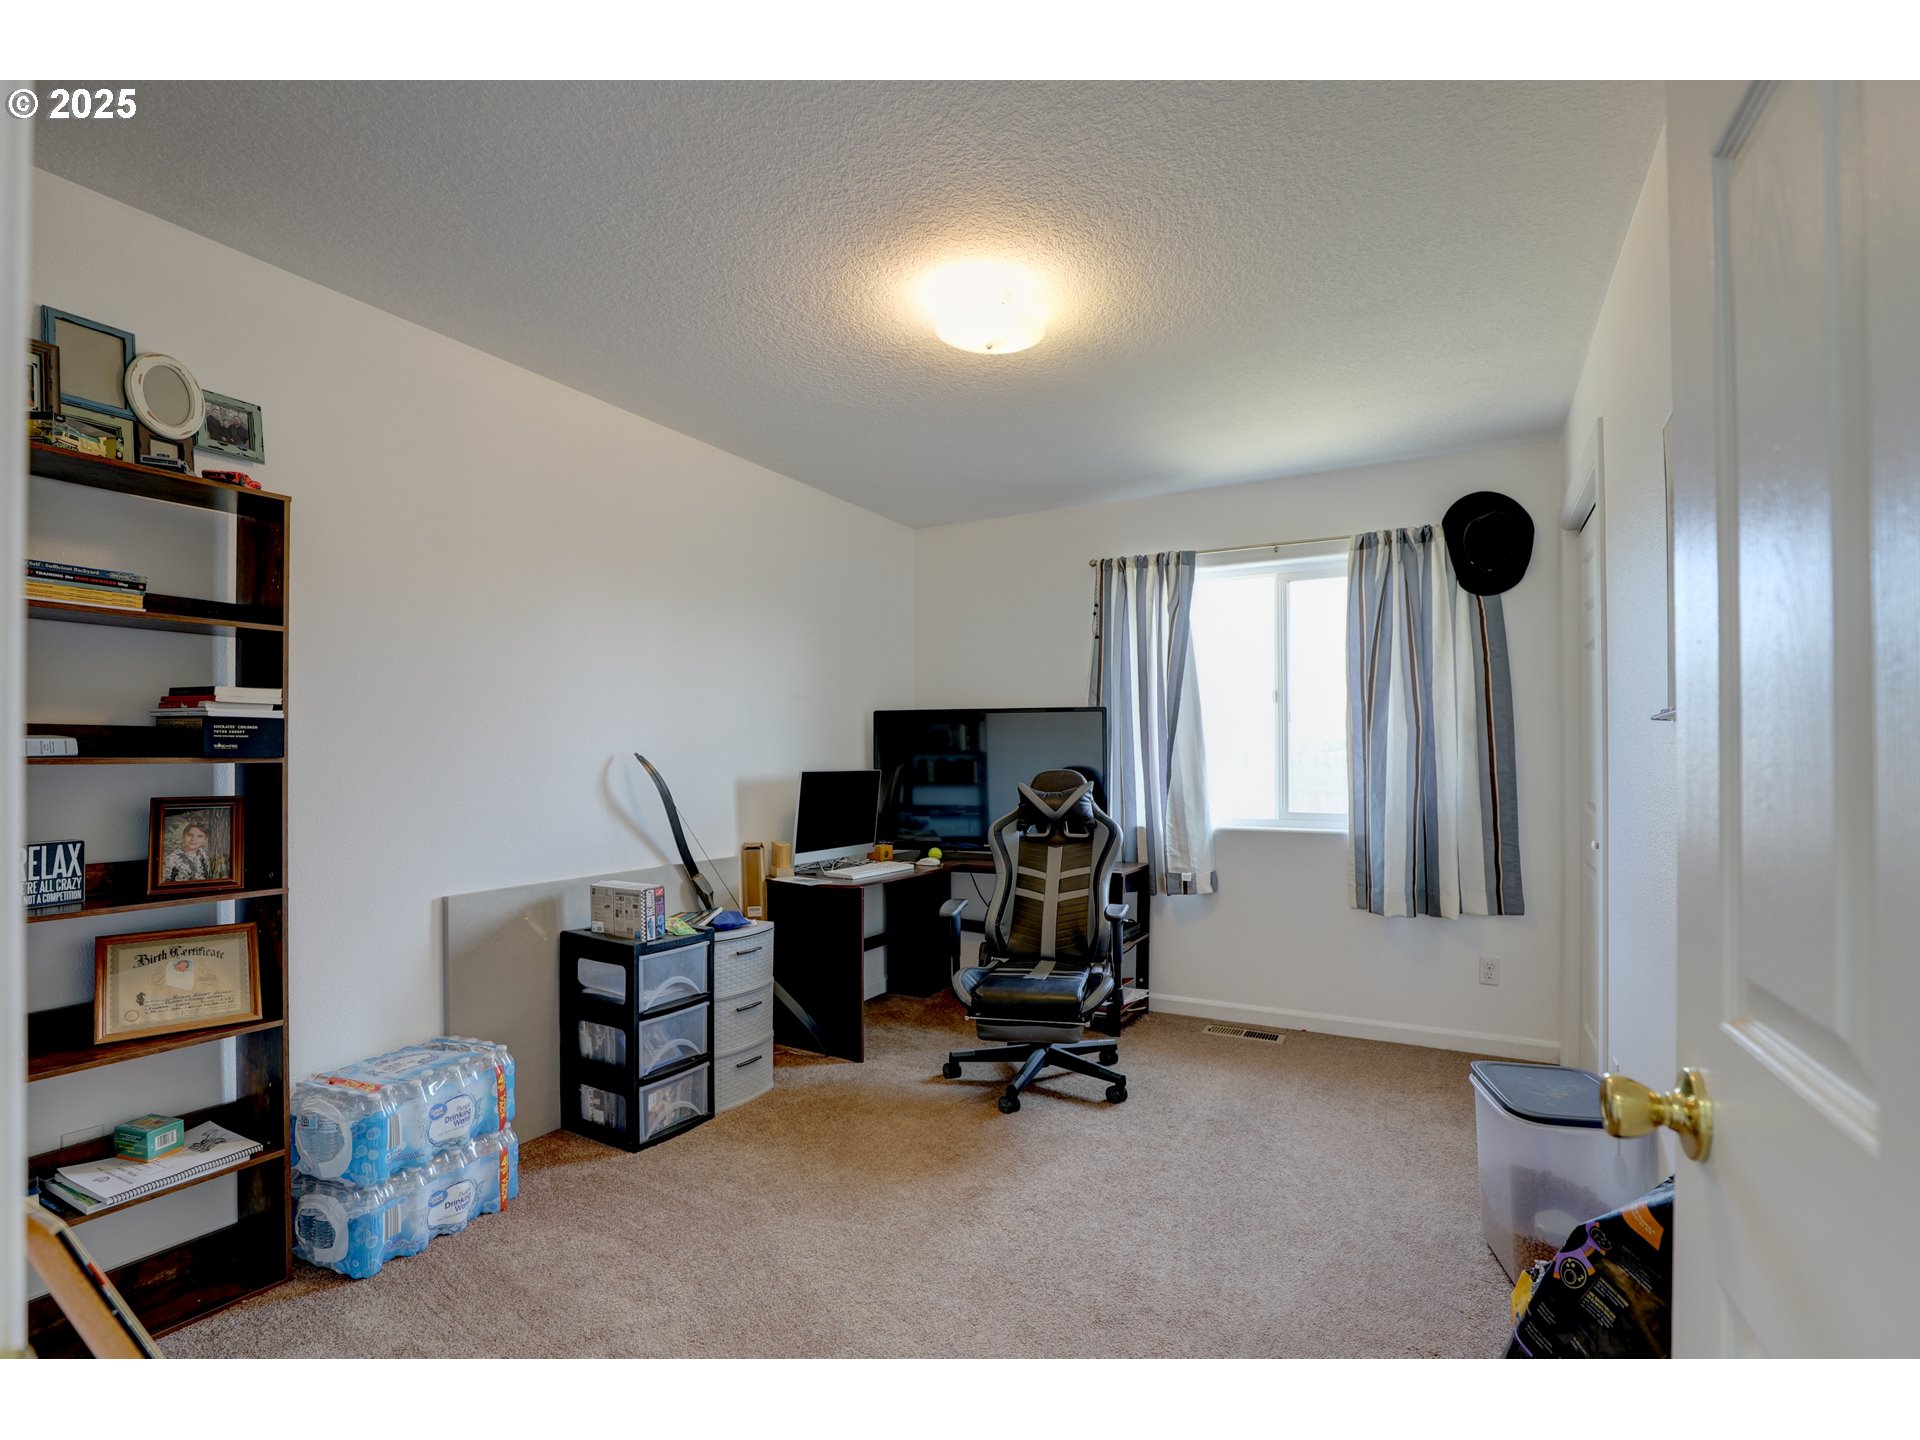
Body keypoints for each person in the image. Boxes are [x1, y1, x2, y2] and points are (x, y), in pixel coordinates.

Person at [162, 818, 218, 884]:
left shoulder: (207, 856)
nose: (194, 839)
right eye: (190, 835)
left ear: (205, 839)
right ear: (183, 837)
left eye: (200, 836)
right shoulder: (170, 860)